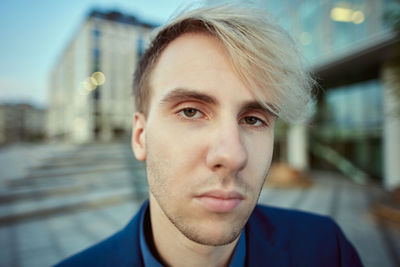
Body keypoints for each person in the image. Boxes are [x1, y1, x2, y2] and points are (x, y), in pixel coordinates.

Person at [55, 3, 363, 267]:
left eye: (254, 119)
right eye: (190, 111)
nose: (232, 155)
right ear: (140, 136)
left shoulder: (326, 249)